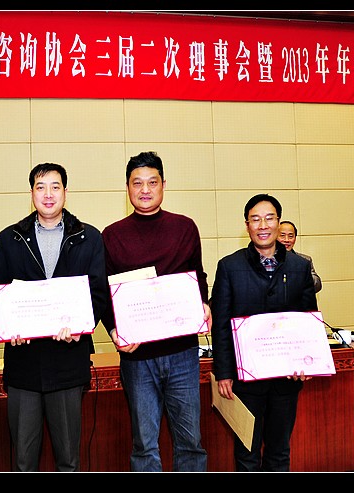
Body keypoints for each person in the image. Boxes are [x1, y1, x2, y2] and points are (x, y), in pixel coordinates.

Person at [0, 162, 109, 472]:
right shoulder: (10, 239)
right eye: (40, 187)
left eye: (55, 187)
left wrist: (82, 326)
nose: (48, 194)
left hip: (68, 362)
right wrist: (8, 327)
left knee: (68, 460)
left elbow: (98, 293)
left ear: (65, 192)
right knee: (23, 461)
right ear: (31, 193)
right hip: (23, 364)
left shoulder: (89, 237)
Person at [100, 151, 211, 472]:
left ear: (164, 185)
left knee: (190, 442)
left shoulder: (185, 227)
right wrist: (114, 330)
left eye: (152, 182)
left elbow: (198, 276)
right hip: (137, 358)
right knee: (144, 445)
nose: (145, 189)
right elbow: (105, 293)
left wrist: (204, 304)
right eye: (137, 183)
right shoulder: (111, 235)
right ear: (127, 188)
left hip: (182, 354)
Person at [210, 193, 318, 472]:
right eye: (255, 219)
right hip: (245, 381)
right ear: (246, 225)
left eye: (269, 218)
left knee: (279, 452)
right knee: (247, 453)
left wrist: (307, 362)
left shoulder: (299, 266)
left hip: (286, 378)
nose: (263, 225)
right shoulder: (229, 266)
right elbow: (220, 323)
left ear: (278, 222)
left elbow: (308, 318)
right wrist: (223, 372)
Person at [278, 220, 322, 293]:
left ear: (295, 238)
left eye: (290, 236)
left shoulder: (304, 260)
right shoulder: (268, 260)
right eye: (282, 235)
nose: (286, 240)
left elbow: (317, 285)